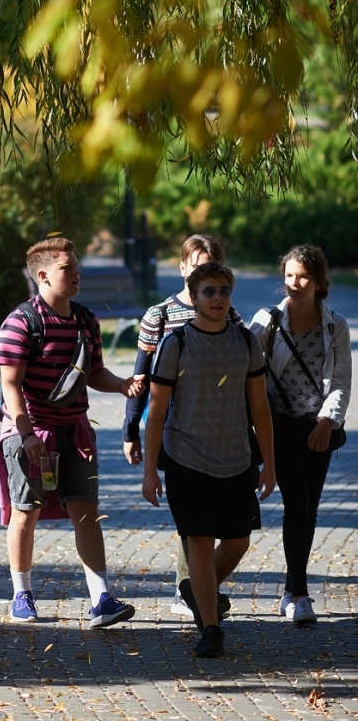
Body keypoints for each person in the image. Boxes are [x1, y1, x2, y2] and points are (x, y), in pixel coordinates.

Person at [0, 236, 144, 626]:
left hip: (75, 431)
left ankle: (101, 598)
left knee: (86, 511)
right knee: (26, 511)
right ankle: (21, 594)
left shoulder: (86, 319)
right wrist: (26, 435)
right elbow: (10, 384)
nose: (77, 272)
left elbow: (94, 371)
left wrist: (122, 384)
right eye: (67, 267)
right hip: (30, 432)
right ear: (43, 275)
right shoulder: (21, 321)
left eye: (76, 266)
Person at [142, 261, 275, 658]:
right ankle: (211, 628)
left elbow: (259, 404)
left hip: (236, 458)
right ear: (194, 296)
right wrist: (150, 470)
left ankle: (195, 590)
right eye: (209, 291)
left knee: (237, 541)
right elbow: (157, 408)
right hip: (186, 458)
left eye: (224, 291)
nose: (218, 298)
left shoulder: (246, 342)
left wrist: (270, 461)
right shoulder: (175, 343)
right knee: (198, 541)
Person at [122, 233, 244, 619]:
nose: (202, 274)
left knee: (205, 526)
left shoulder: (228, 315)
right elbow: (140, 378)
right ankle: (187, 590)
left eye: (209, 266)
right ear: (183, 270)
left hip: (218, 430)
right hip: (174, 428)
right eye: (195, 266)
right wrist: (130, 429)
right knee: (192, 522)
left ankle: (194, 589)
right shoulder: (159, 316)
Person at [250, 245, 351, 627]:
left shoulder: (334, 325)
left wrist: (328, 421)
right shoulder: (268, 320)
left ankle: (292, 592)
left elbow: (341, 381)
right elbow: (250, 371)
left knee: (308, 512)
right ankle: (299, 594)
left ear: (320, 282)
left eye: (304, 276)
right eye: (290, 275)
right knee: (298, 504)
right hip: (279, 426)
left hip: (318, 429)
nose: (295, 283)